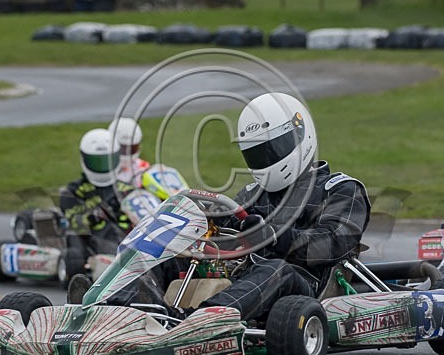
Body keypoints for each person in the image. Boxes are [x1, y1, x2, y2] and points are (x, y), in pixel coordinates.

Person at [104, 92, 371, 322]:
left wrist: (275, 235)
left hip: (303, 286)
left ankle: (203, 321)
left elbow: (336, 242)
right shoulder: (251, 195)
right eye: (257, 154)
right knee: (168, 254)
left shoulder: (339, 189)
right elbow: (223, 235)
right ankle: (124, 308)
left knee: (276, 268)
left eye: (273, 149)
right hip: (242, 277)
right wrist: (202, 225)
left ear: (300, 134)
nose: (266, 160)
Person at [59, 128, 135, 260]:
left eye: (107, 160)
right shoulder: (74, 191)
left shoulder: (126, 189)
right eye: (97, 162)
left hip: (130, 238)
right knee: (76, 235)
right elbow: (76, 221)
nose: (103, 166)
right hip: (95, 242)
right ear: (84, 159)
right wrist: (96, 214)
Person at [108, 117, 151, 185]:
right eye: (123, 149)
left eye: (131, 148)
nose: (126, 153)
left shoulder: (143, 167)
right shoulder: (104, 169)